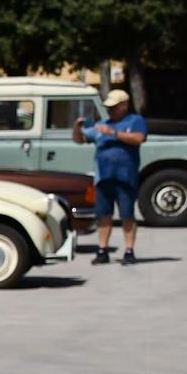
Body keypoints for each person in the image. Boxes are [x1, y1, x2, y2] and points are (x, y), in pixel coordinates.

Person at [73, 87, 149, 264]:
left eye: (114, 106)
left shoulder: (135, 121)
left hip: (125, 177)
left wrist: (113, 133)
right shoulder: (102, 125)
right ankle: (102, 250)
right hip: (103, 178)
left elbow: (138, 138)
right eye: (108, 107)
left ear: (124, 105)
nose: (110, 110)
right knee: (103, 215)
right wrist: (77, 128)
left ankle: (129, 250)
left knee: (127, 215)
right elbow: (79, 140)